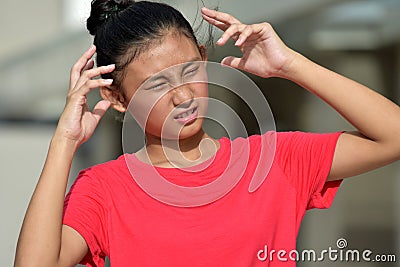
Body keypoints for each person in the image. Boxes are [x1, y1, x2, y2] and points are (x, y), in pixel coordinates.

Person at [14, 0, 400, 266]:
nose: (182, 96)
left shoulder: (275, 160)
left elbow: (393, 136)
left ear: (204, 57)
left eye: (189, 72)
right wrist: (63, 143)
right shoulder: (104, 190)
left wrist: (292, 65)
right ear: (117, 97)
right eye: (156, 86)